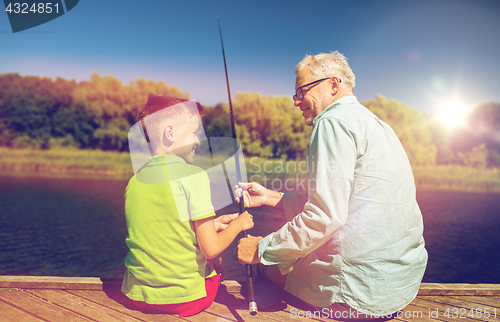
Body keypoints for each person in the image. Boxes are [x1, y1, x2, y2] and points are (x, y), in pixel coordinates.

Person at [236, 52, 427, 318]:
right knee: (292, 252)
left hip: (357, 294)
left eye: (302, 91)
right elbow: (352, 203)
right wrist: (272, 197)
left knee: (270, 265)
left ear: (333, 84)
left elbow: (324, 217)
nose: (297, 102)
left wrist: (260, 249)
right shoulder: (377, 125)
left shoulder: (331, 122)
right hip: (401, 285)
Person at [122, 94, 254, 317]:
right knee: (215, 259)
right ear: (170, 133)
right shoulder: (194, 176)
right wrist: (239, 224)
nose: (198, 141)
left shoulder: (134, 181)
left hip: (136, 296)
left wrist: (212, 223)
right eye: (194, 132)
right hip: (186, 301)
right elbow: (210, 248)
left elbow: (161, 227)